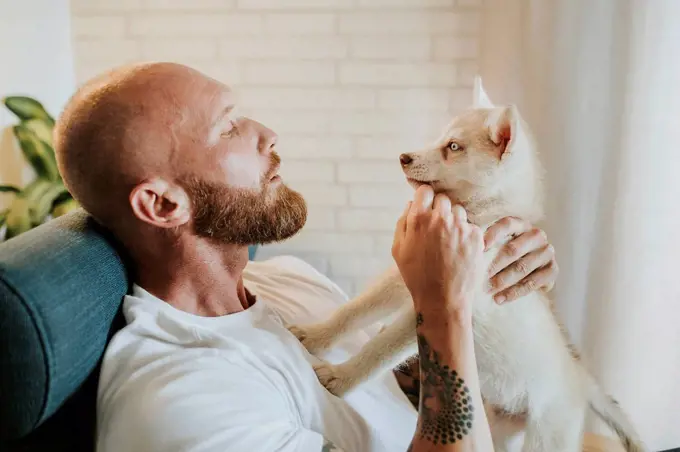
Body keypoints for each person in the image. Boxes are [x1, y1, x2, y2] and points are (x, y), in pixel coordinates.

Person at [53, 62, 559, 452]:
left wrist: (498, 292)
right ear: (163, 203)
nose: (268, 133)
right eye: (228, 128)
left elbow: (396, 391)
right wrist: (446, 308)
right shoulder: (184, 400)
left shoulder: (291, 281)